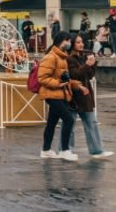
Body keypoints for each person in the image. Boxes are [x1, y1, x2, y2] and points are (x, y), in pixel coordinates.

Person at [37, 31, 85, 162]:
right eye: (67, 41)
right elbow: (42, 78)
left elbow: (64, 79)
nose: (69, 43)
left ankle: (46, 150)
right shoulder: (51, 57)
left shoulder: (62, 57)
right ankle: (65, 150)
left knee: (51, 123)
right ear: (61, 42)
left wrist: (76, 85)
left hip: (60, 95)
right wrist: (58, 84)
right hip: (52, 94)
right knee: (69, 120)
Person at [66, 34, 113, 159]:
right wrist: (87, 64)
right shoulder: (69, 58)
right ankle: (65, 149)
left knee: (92, 122)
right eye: (78, 42)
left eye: (82, 42)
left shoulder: (82, 56)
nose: (81, 44)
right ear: (72, 44)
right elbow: (75, 75)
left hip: (85, 94)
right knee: (69, 124)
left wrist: (92, 64)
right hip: (73, 94)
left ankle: (97, 150)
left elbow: (89, 76)